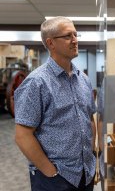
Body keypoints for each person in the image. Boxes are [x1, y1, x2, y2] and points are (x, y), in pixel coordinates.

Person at [14, 16, 96, 191]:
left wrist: (92, 158)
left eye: (75, 34)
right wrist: (50, 172)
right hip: (55, 178)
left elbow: (90, 120)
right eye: (68, 36)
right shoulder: (36, 83)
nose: (75, 40)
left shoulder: (84, 80)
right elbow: (22, 135)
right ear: (51, 43)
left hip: (85, 173)